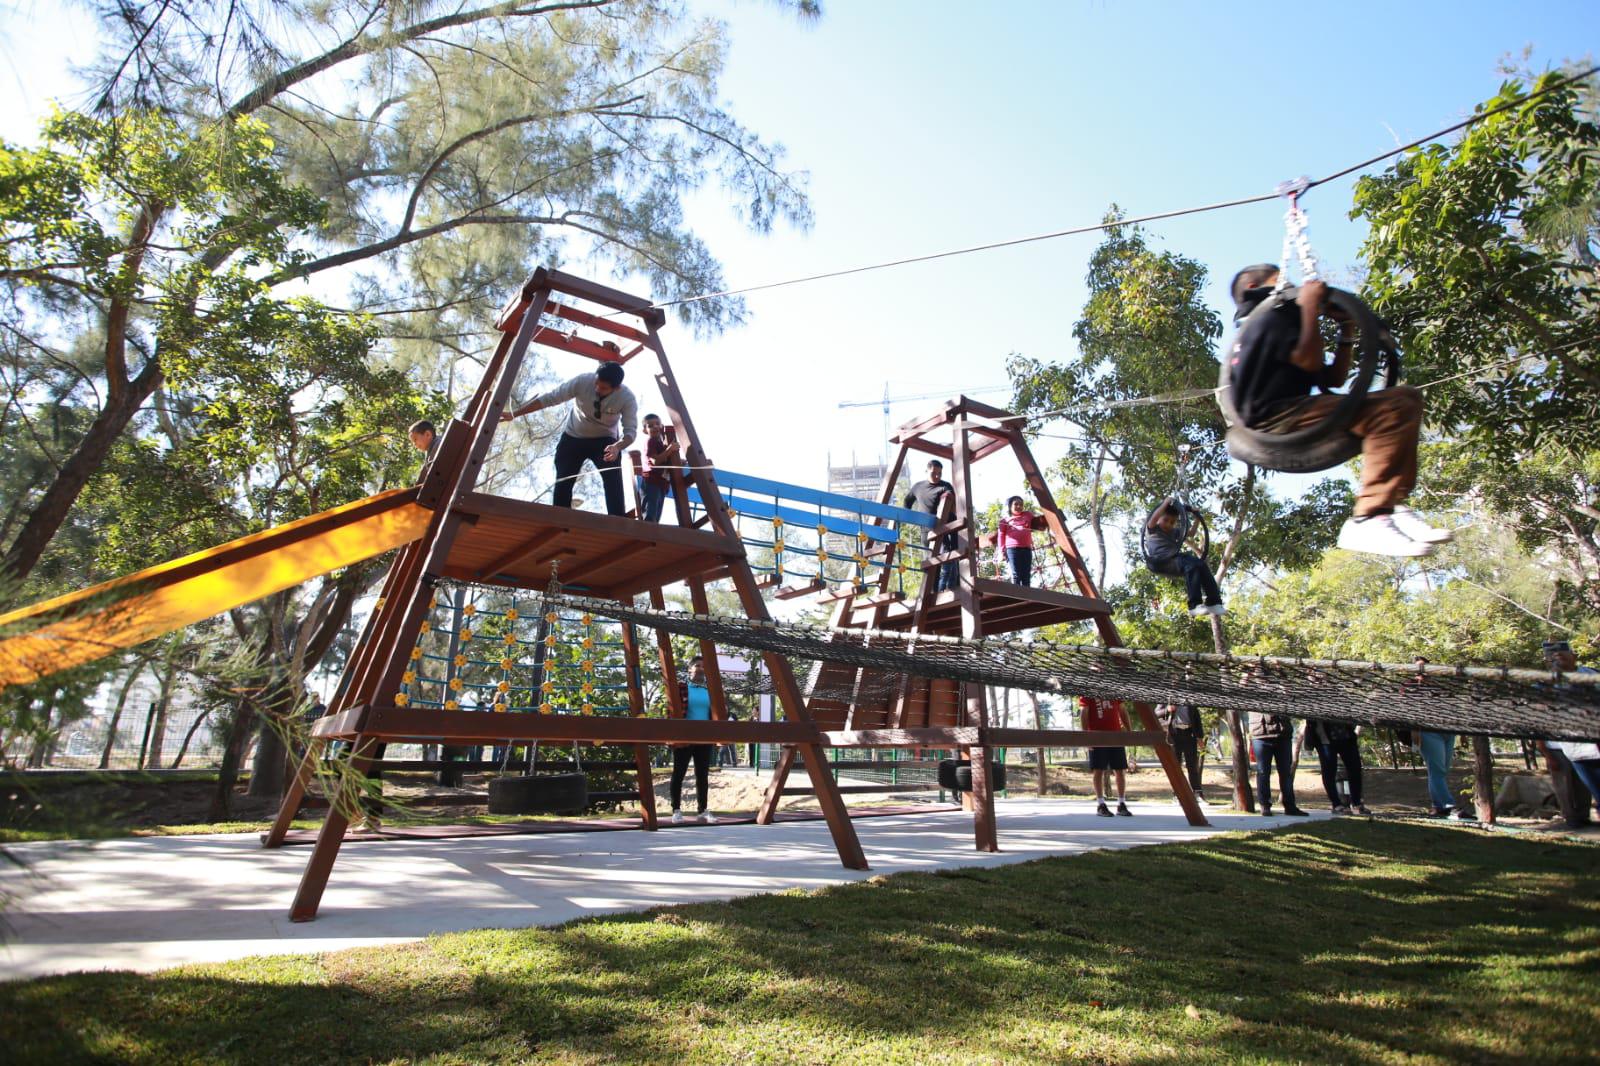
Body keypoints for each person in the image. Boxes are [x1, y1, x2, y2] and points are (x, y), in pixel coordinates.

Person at [1227, 267, 1452, 557]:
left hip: (1293, 409)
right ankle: (1369, 516)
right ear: (1256, 285)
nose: (1289, 282)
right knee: (1395, 406)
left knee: (1399, 404)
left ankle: (1389, 506)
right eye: (1279, 277)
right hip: (1274, 416)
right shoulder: (1272, 314)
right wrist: (1309, 306)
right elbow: (1308, 360)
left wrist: (1346, 328)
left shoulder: (1282, 319)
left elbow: (1331, 379)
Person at [501, 358, 638, 515]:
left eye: (604, 388)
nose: (597, 389)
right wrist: (516, 413)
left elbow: (630, 432)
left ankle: (617, 520)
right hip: (573, 437)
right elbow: (550, 398)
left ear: (617, 388)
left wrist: (617, 447)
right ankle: (560, 516)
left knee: (612, 476)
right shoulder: (582, 381)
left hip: (605, 441)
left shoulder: (627, 398)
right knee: (564, 479)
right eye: (597, 383)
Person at [1543, 640, 1600, 819]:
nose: (1556, 659)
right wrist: (1544, 750)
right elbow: (1539, 718)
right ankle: (1575, 820)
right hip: (1570, 746)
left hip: (1595, 742)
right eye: (1551, 657)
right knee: (1578, 792)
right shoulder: (1544, 683)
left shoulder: (1591, 675)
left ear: (1574, 656)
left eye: (1561, 655)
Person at [1145, 499, 1224, 618]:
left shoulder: (1173, 531)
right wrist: (1165, 503)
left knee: (1200, 564)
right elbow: (1154, 518)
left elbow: (1191, 533)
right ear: (1159, 518)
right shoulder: (1152, 528)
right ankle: (1194, 605)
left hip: (1173, 560)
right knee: (1191, 564)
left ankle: (1214, 602)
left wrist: (1197, 517)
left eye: (1172, 522)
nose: (1168, 524)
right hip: (1158, 561)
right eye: (1165, 520)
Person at [671, 656, 717, 824]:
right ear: (690, 669)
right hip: (684, 736)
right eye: (697, 665)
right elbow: (672, 709)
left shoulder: (709, 691)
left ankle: (703, 810)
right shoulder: (681, 688)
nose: (700, 669)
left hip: (704, 738)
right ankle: (676, 810)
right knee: (679, 773)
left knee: (702, 775)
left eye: (703, 666)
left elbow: (714, 714)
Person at [904, 460, 958, 592]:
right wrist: (911, 518)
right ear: (927, 471)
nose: (937, 476)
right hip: (926, 530)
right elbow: (907, 502)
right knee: (931, 562)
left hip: (943, 528)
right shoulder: (918, 487)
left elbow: (952, 507)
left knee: (948, 557)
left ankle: (947, 589)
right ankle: (932, 592)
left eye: (940, 473)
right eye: (934, 473)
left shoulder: (945, 486)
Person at [1248, 711, 1308, 817]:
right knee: (1263, 772)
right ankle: (1265, 806)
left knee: (1285, 772)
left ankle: (1290, 806)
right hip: (1260, 734)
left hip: (1282, 734)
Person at [1081, 695, 1132, 817]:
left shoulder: (1112, 689)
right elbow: (1084, 712)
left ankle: (1121, 804)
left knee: (1120, 770)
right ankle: (1101, 804)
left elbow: (1123, 710)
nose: (1100, 674)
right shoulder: (1087, 691)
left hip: (1116, 736)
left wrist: (1129, 731)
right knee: (1098, 770)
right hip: (1096, 736)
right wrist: (1085, 736)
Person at [1306, 717, 1367, 815]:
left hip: (1346, 736)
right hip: (1325, 739)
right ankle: (1337, 804)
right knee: (1329, 772)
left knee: (1355, 769)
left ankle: (1357, 803)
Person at [1157, 702, 1205, 802]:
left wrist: (1200, 737)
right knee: (1176, 766)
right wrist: (1167, 709)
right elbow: (1156, 713)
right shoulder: (1168, 697)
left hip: (1189, 733)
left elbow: (1196, 717)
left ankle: (1197, 793)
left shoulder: (1189, 697)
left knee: (1192, 766)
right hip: (1174, 734)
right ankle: (1177, 794)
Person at [636, 414, 679, 523]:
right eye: (650, 426)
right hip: (651, 481)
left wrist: (677, 459)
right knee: (650, 512)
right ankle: (648, 531)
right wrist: (669, 450)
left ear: (662, 426)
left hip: (661, 483)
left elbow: (665, 459)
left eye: (657, 424)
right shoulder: (651, 441)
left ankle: (652, 532)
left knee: (657, 514)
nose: (655, 427)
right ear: (645, 431)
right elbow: (655, 461)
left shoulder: (661, 444)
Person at [993, 496, 1039, 586]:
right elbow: (1001, 536)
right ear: (1010, 506)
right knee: (1016, 574)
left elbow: (1036, 523)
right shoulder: (1005, 520)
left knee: (1026, 575)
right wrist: (1002, 551)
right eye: (1016, 504)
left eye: (1021, 504)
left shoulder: (1027, 515)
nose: (1019, 506)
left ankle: (1027, 595)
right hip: (1012, 550)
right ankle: (1017, 596)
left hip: (1026, 549)